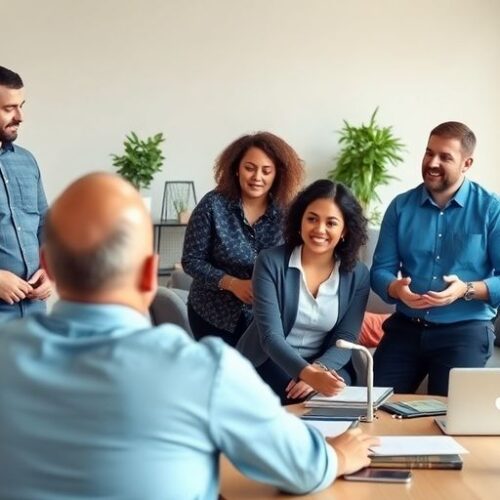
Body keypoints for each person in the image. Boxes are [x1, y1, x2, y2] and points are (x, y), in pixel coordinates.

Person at [0, 173, 378, 499]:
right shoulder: (206, 371)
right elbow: (304, 470)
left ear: (48, 266)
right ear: (150, 274)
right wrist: (339, 455)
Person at [371, 121, 500, 396]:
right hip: (406, 328)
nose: (432, 162)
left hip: (465, 331)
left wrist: (465, 290)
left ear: (467, 164)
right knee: (373, 407)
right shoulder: (400, 207)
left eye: (445, 157)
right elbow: (381, 270)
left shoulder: (491, 208)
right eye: (429, 152)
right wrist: (396, 289)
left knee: (453, 418)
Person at [237, 179, 370, 404]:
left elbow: (346, 338)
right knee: (297, 398)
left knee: (342, 394)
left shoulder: (358, 274)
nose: (319, 229)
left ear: (345, 230)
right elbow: (270, 337)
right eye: (312, 219)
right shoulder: (270, 262)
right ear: (300, 221)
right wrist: (308, 374)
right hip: (269, 359)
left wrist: (318, 371)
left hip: (323, 362)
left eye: (331, 223)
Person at [182, 131, 304, 346]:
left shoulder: (289, 212)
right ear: (236, 169)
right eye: (250, 168)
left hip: (267, 317)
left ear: (277, 174)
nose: (257, 177)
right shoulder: (213, 205)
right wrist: (232, 284)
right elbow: (191, 260)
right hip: (213, 313)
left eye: (266, 171)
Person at [0, 65, 51, 322]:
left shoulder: (27, 161)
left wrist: (49, 269)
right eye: (9, 108)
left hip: (33, 314)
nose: (20, 116)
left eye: (21, 105)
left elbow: (44, 222)